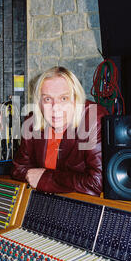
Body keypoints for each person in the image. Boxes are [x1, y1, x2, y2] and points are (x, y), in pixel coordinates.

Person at [11, 66, 109, 196]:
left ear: (76, 99)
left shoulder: (93, 119)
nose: (55, 107)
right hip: (44, 200)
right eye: (47, 99)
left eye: (63, 98)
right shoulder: (33, 122)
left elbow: (97, 183)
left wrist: (46, 179)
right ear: (39, 102)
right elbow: (18, 170)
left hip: (83, 205)